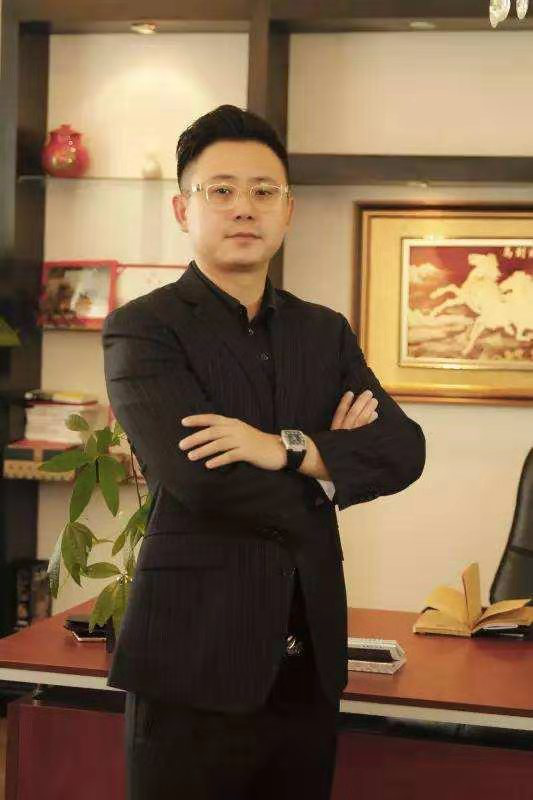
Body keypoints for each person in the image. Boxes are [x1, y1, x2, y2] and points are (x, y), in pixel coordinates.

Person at [102, 104, 426, 800]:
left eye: (262, 190)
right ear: (183, 209)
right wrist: (331, 467)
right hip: (192, 663)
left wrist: (281, 448)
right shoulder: (145, 329)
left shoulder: (324, 333)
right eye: (220, 190)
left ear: (288, 210)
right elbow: (202, 481)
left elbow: (403, 450)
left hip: (307, 668)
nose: (243, 207)